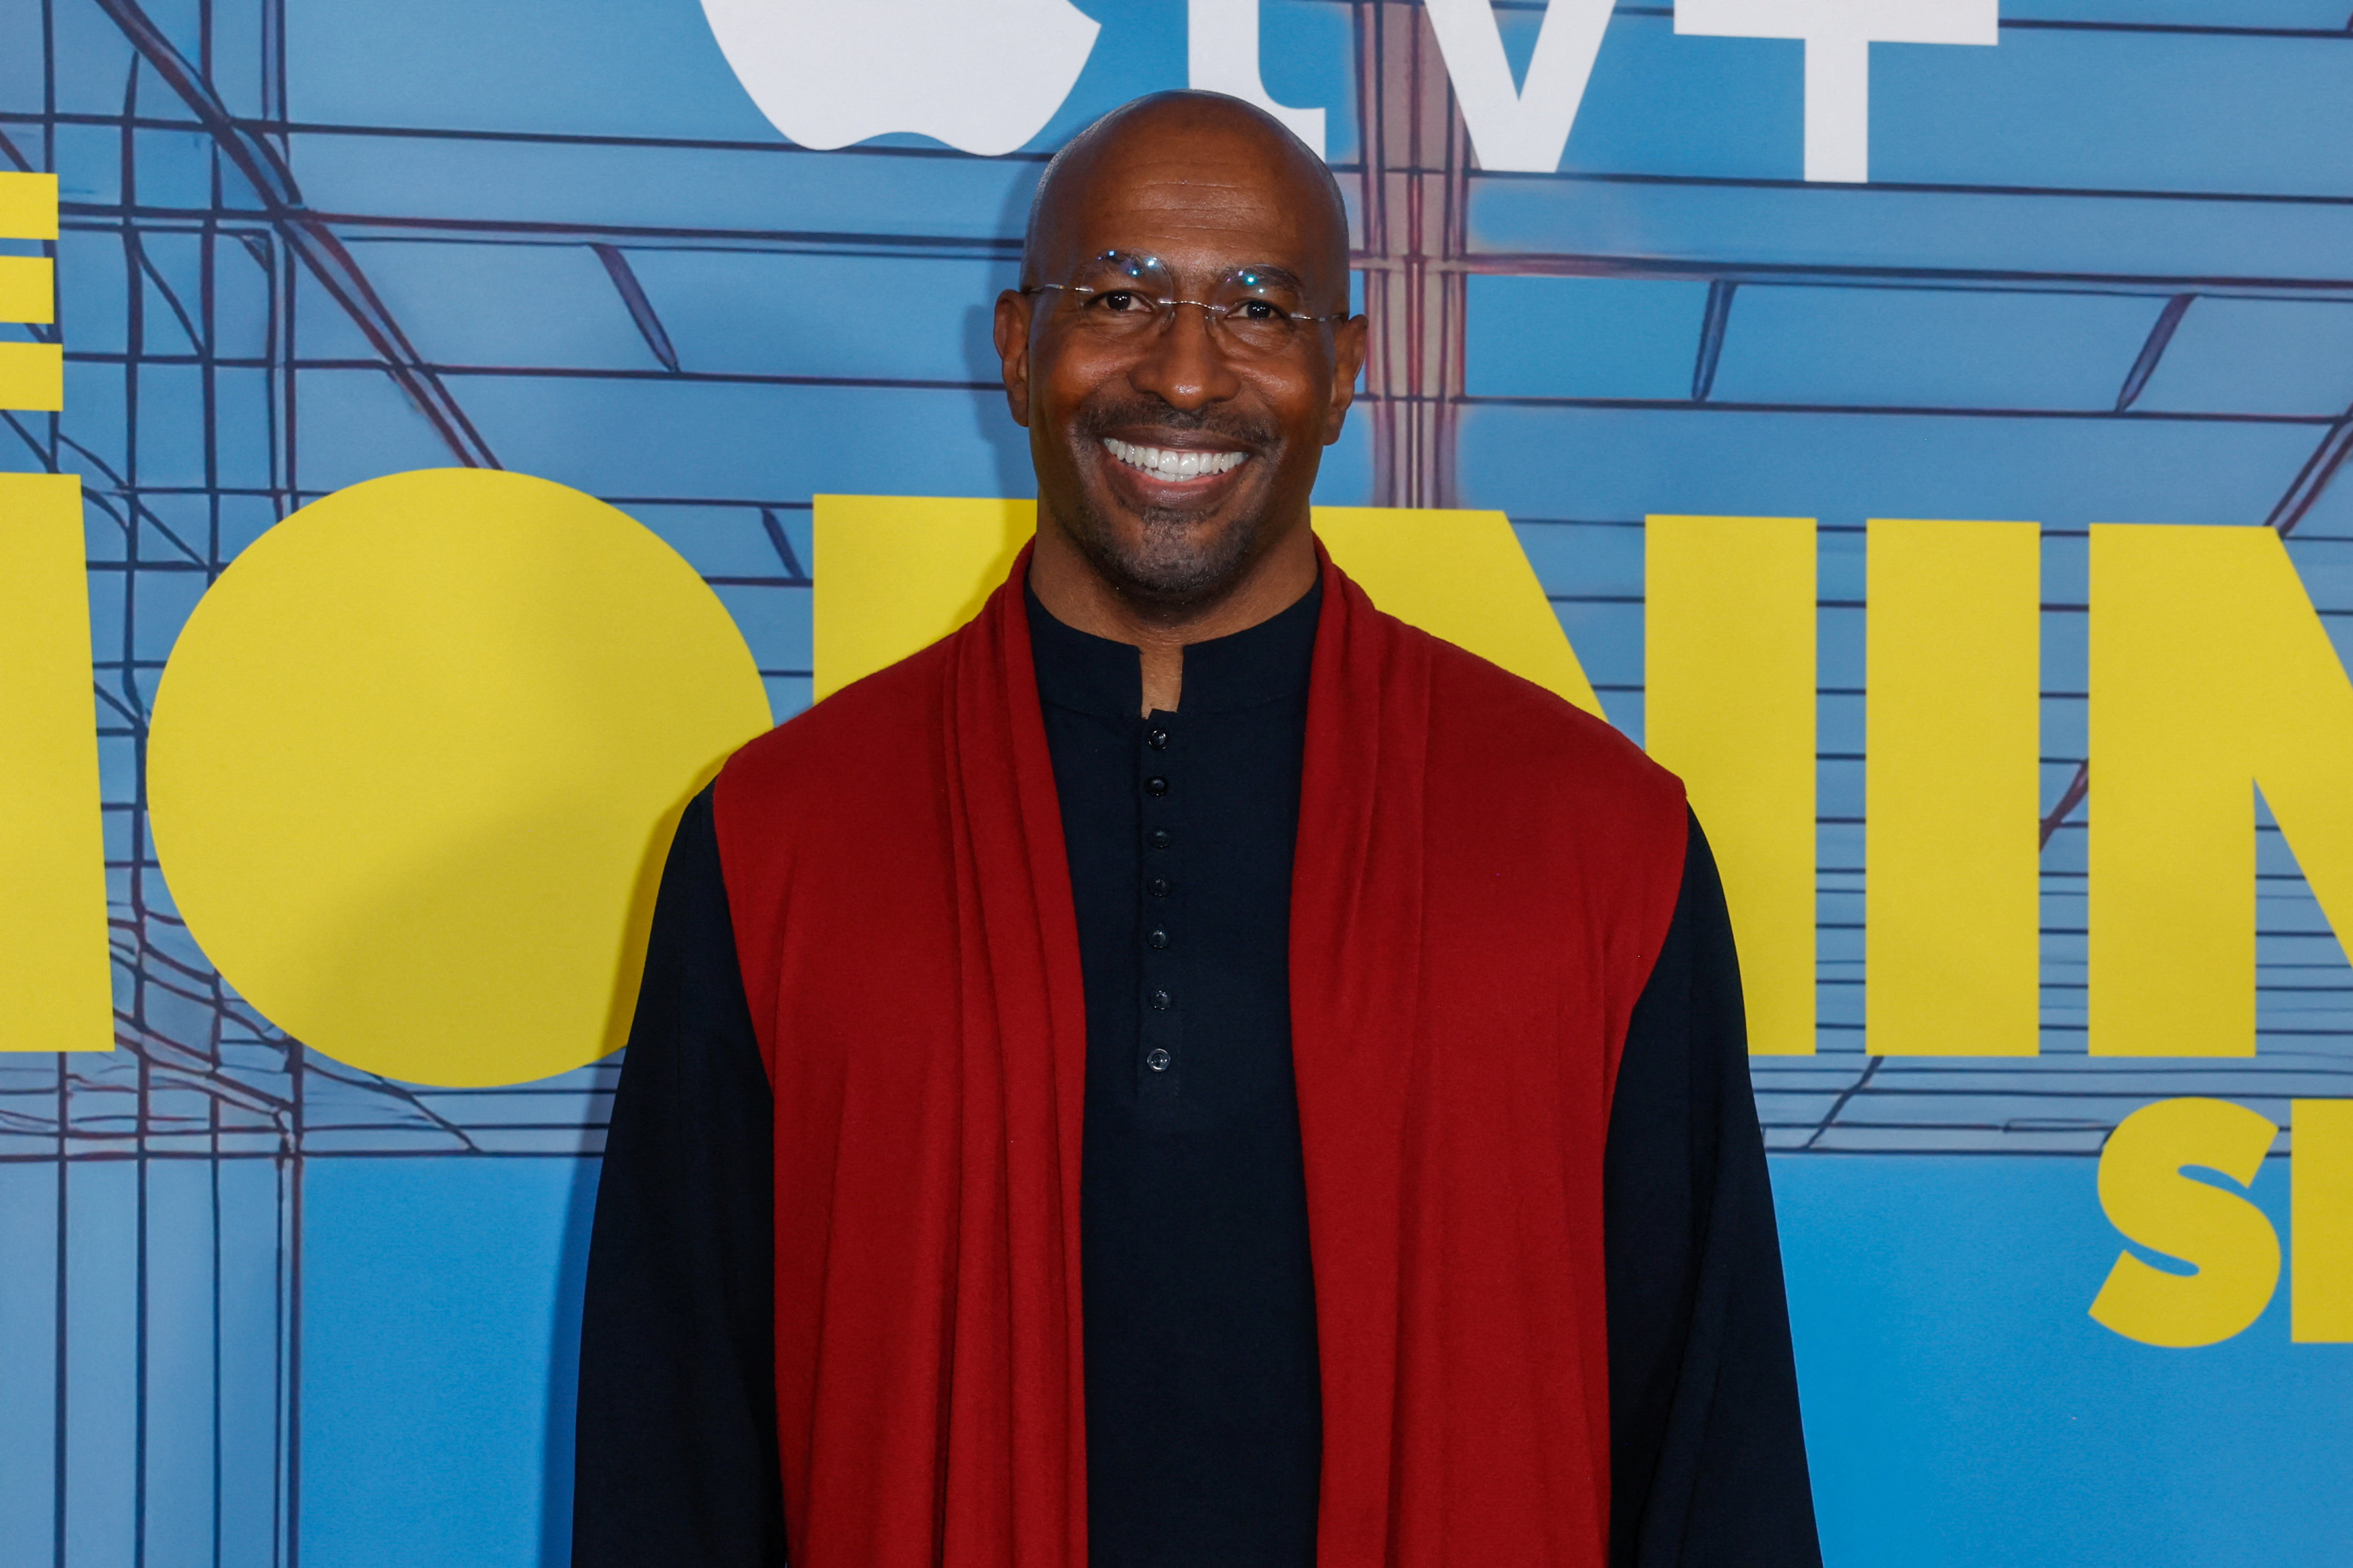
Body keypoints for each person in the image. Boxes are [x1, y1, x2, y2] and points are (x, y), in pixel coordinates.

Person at [573, 91, 1820, 1568]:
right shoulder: (781, 840)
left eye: (1258, 308)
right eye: (1118, 297)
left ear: (1345, 371)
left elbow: (1710, 1447)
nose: (1182, 370)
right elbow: (675, 1440)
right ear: (1017, 350)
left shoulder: (1599, 844)